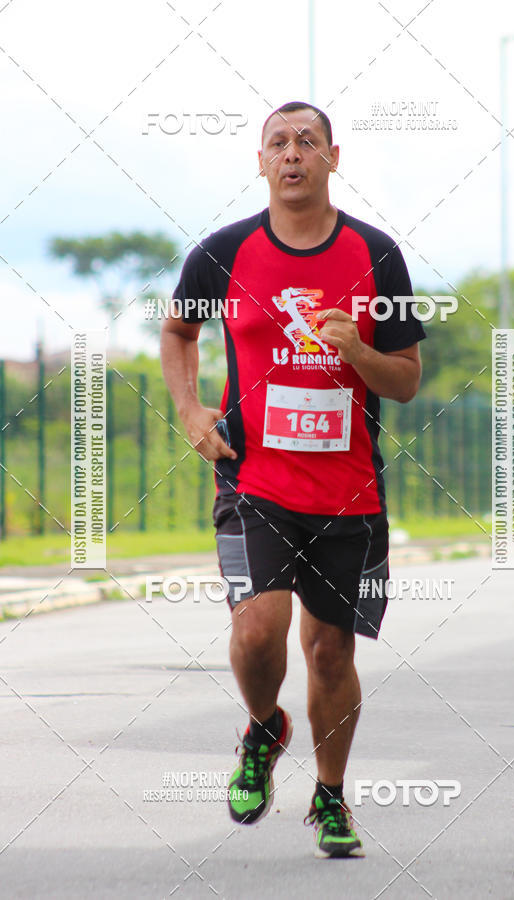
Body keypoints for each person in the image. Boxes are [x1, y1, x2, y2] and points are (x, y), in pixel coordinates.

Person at [160, 100, 426, 858]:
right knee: (255, 631)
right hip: (253, 481)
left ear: (333, 158)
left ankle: (331, 798)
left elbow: (407, 380)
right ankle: (263, 728)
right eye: (278, 142)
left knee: (331, 652)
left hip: (349, 493)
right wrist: (190, 409)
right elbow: (178, 330)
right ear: (261, 162)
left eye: (307, 141)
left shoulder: (377, 254)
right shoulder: (222, 253)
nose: (293, 153)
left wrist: (359, 353)